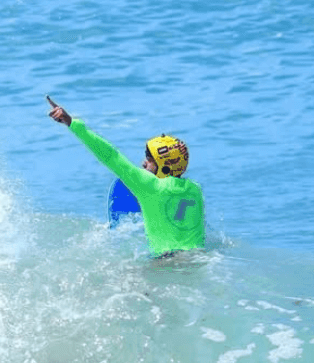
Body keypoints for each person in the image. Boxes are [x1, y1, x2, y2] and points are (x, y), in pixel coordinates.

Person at [47, 96, 205, 256]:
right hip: (196, 260)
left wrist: (72, 123)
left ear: (164, 166)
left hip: (164, 265)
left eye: (150, 160)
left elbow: (111, 156)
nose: (144, 163)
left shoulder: (151, 187)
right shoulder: (195, 190)